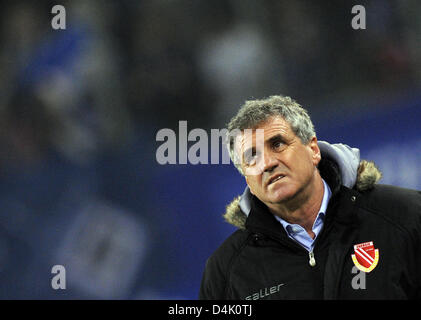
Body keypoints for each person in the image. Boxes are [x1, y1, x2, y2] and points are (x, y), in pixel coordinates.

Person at [199, 95, 421, 299]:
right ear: (248, 180)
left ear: (313, 149)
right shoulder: (225, 272)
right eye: (252, 156)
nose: (267, 163)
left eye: (277, 144)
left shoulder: (405, 215)